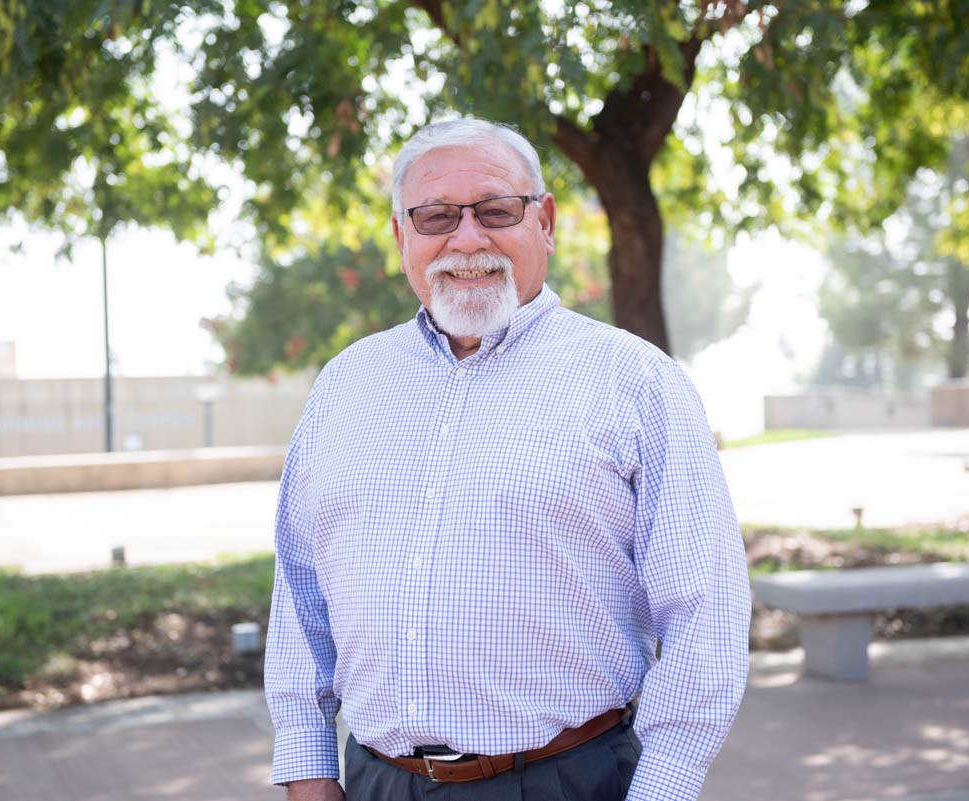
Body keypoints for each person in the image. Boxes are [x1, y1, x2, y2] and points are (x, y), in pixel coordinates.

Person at [265, 118, 751, 801]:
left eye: (496, 210)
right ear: (401, 234)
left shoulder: (636, 383)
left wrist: (664, 787)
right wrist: (309, 768)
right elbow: (301, 591)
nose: (467, 239)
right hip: (375, 781)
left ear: (545, 221)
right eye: (436, 216)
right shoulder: (345, 385)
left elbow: (705, 612)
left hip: (568, 780)